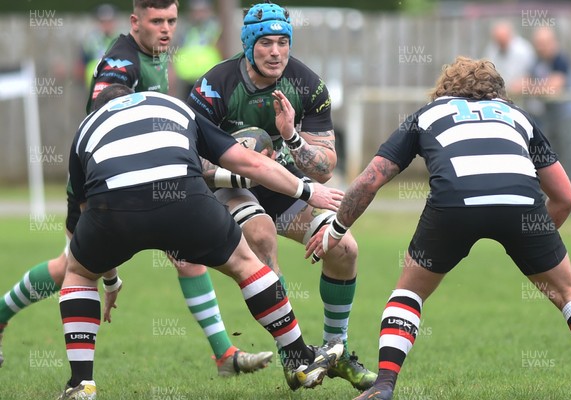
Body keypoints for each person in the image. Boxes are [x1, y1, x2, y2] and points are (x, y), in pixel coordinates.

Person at [0, 0, 273, 378]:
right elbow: (105, 101)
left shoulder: (157, 54)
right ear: (135, 21)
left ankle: (223, 354)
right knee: (70, 269)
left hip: (149, 182)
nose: (166, 29)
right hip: (102, 184)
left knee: (188, 259)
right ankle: (1, 317)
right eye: (156, 20)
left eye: (171, 20)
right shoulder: (121, 60)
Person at [306, 56, 571, 400]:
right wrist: (532, 243)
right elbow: (565, 197)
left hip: (453, 204)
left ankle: (383, 386)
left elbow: (369, 182)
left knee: (409, 293)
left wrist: (336, 229)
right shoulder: (517, 114)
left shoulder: (428, 114)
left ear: (444, 87)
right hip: (521, 204)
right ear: (498, 90)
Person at [57, 84, 345, 399]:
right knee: (245, 263)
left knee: (79, 273)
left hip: (114, 207)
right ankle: (299, 357)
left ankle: (81, 384)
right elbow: (249, 163)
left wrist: (109, 281)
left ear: (100, 108)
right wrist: (307, 191)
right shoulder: (172, 105)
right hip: (183, 195)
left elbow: (85, 220)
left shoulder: (87, 127)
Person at [186, 1, 376, 391]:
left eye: (283, 42)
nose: (276, 52)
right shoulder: (214, 87)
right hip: (230, 187)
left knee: (345, 249)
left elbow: (324, 167)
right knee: (260, 236)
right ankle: (293, 355)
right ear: (249, 45)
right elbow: (190, 160)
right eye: (266, 43)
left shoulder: (307, 84)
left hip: (285, 185)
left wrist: (290, 135)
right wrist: (236, 171)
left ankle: (333, 350)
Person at [523, 26, 571, 200]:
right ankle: (553, 199)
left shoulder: (560, 60)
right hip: (549, 117)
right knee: (549, 159)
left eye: (544, 43)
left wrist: (532, 87)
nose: (541, 47)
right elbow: (521, 83)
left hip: (568, 117)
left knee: (569, 158)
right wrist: (535, 87)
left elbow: (553, 87)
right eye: (538, 44)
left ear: (553, 42)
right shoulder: (537, 61)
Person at [172, 0, 223, 98]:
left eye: (201, 11)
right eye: (195, 11)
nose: (198, 14)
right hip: (186, 79)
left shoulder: (215, 28)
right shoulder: (184, 29)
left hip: (209, 79)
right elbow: (175, 51)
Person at [482, 20, 535, 94]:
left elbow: (532, 74)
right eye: (498, 38)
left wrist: (524, 82)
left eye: (502, 37)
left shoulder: (524, 50)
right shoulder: (491, 50)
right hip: (499, 92)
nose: (500, 41)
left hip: (521, 94)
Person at [75, 4, 120, 90]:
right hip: (94, 86)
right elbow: (81, 65)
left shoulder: (121, 40)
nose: (106, 25)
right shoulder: (90, 41)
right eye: (103, 21)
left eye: (109, 21)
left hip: (116, 87)